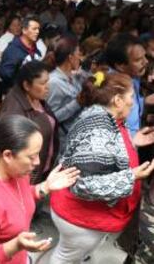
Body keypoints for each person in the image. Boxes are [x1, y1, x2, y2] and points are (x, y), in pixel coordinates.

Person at [49, 72, 154, 263]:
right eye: (131, 97)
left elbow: (108, 152)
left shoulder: (102, 115)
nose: (134, 101)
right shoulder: (99, 131)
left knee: (72, 255)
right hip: (79, 218)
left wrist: (133, 142)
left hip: (81, 215)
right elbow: (84, 184)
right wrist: (132, 176)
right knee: (65, 258)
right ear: (117, 100)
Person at [0, 115, 79, 264]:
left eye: (38, 154)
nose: (38, 162)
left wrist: (44, 187)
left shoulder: (17, 171)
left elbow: (16, 198)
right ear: (8, 155)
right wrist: (15, 245)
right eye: (32, 156)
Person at [0, 60, 58, 184]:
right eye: (42, 83)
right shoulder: (14, 109)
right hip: (27, 177)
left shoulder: (37, 99)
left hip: (41, 170)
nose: (47, 87)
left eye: (47, 81)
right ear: (26, 85)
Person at [105, 33, 148, 137]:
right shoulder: (111, 92)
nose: (146, 62)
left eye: (145, 56)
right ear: (120, 66)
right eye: (138, 60)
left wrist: (146, 101)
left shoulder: (132, 75)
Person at [46, 37, 84, 150]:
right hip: (62, 145)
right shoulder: (54, 82)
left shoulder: (74, 78)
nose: (80, 58)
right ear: (70, 57)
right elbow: (50, 118)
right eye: (78, 54)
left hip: (76, 139)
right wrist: (76, 103)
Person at [0, 15, 42, 89]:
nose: (37, 32)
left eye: (38, 29)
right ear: (24, 30)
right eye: (34, 29)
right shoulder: (13, 50)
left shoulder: (35, 49)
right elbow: (5, 74)